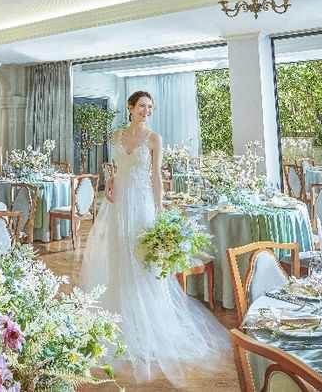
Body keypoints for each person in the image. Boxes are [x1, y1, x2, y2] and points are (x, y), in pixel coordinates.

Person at [79, 90, 230, 385]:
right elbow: (117, 168)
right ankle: (119, 321)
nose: (147, 111)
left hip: (142, 206)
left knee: (142, 261)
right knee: (118, 257)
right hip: (118, 206)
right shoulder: (116, 136)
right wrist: (111, 181)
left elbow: (156, 177)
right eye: (142, 106)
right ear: (130, 107)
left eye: (150, 107)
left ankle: (147, 328)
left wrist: (159, 211)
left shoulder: (154, 139)